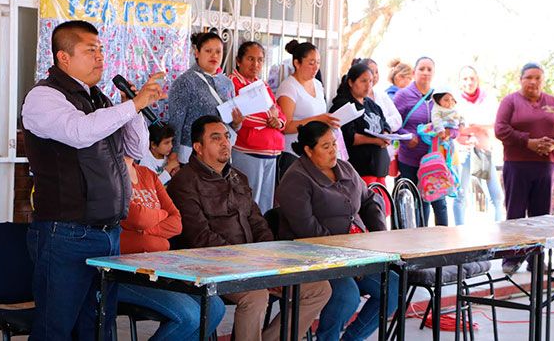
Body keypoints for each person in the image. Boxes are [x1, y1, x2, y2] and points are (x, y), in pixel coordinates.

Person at [21, 20, 165, 340]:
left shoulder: (98, 98)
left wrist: (135, 108)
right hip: (65, 233)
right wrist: (134, 104)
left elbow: (136, 149)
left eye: (101, 49)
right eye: (90, 50)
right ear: (64, 58)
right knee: (55, 329)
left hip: (108, 233)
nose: (100, 57)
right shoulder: (44, 97)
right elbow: (79, 132)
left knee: (99, 325)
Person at [167, 115, 331, 341]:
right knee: (255, 295)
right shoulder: (184, 182)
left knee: (319, 288)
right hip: (208, 267)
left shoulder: (237, 177)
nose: (225, 142)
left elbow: (257, 221)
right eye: (216, 138)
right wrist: (246, 263)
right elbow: (200, 238)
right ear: (198, 147)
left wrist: (265, 259)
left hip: (251, 264)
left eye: (226, 136)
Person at [276, 121, 399, 341]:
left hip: (356, 252)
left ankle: (352, 339)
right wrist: (348, 258)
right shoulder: (296, 179)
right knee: (347, 295)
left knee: (393, 286)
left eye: (334, 144)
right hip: (314, 257)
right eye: (325, 146)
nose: (333, 150)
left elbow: (370, 199)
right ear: (308, 150)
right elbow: (307, 230)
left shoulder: (345, 168)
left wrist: (379, 235)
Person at [119, 156, 225, 339]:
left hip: (160, 270)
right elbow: (138, 218)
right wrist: (159, 218)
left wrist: (146, 229)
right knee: (189, 316)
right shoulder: (112, 175)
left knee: (215, 307)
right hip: (124, 274)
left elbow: (176, 222)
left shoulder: (148, 174)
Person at [495, 62, 554, 274]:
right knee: (516, 213)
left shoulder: (553, 102)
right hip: (517, 164)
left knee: (541, 216)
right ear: (521, 79)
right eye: (529, 77)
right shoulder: (511, 101)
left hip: (547, 165)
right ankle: (511, 258)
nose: (533, 82)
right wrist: (528, 142)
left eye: (538, 77)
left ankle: (537, 260)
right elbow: (500, 129)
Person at [393, 56, 453, 226]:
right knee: (419, 203)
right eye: (421, 69)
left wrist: (450, 133)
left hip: (435, 161)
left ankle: (445, 245)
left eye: (429, 69)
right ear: (414, 72)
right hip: (410, 161)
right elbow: (391, 124)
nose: (425, 73)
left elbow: (453, 121)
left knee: (440, 203)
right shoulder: (403, 95)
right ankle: (420, 245)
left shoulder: (439, 96)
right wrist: (407, 137)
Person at [168, 32, 244, 164]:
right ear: (197, 53)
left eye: (218, 52)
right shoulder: (184, 82)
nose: (214, 55)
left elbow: (230, 122)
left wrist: (237, 123)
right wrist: (173, 156)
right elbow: (176, 123)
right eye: (208, 51)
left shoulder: (227, 83)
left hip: (221, 153)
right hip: (192, 153)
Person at [230, 41, 286, 214]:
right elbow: (240, 115)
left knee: (265, 205)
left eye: (260, 60)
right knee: (248, 202)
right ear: (239, 60)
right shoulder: (232, 83)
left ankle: (263, 239)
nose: (256, 64)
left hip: (271, 153)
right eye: (250, 59)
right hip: (248, 151)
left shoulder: (263, 85)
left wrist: (278, 122)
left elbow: (279, 112)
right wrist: (270, 118)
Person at [276, 40, 339, 178]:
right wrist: (317, 119)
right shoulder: (289, 87)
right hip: (294, 152)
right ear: (297, 63)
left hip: (317, 153)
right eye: (311, 63)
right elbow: (285, 126)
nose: (315, 67)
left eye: (318, 62)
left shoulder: (317, 84)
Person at [454, 66, 504, 225]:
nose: (469, 82)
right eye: (465, 79)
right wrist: (477, 127)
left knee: (494, 196)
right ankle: (458, 232)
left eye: (472, 78)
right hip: (463, 151)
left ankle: (496, 231)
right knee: (461, 194)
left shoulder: (488, 99)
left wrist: (474, 125)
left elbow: (495, 123)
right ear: (460, 81)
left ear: (477, 80)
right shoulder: (454, 100)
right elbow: (456, 128)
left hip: (484, 150)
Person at [329, 62, 391, 189]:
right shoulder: (343, 105)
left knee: (383, 205)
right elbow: (348, 137)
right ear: (351, 82)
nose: (368, 85)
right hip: (359, 167)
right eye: (363, 81)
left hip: (379, 167)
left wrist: (385, 134)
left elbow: (385, 124)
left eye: (371, 81)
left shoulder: (371, 104)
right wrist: (375, 141)